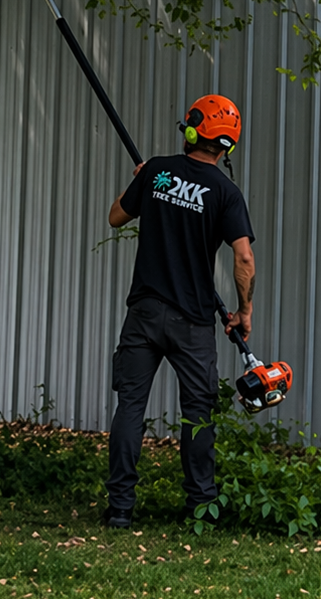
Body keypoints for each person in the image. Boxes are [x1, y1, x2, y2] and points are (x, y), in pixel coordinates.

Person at [104, 94, 255, 528]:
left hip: (145, 313)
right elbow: (243, 258)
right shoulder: (227, 192)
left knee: (130, 406)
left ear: (191, 129)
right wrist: (244, 312)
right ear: (228, 144)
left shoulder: (155, 171)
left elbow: (116, 216)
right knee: (198, 412)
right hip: (192, 321)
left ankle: (120, 510)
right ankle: (200, 506)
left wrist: (141, 183)